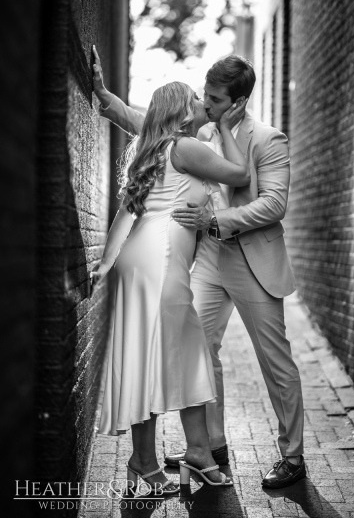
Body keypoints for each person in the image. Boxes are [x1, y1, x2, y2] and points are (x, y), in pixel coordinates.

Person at [92, 46, 306, 489]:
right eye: (204, 96)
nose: (207, 105)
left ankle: (293, 455)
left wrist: (215, 219)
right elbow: (148, 125)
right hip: (206, 259)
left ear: (238, 102)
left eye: (215, 100)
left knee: (275, 360)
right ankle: (209, 446)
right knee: (199, 352)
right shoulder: (198, 134)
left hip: (253, 260)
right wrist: (105, 97)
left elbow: (273, 204)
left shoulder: (268, 140)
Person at [90, 77, 251, 493]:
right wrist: (230, 130)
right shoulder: (184, 146)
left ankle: (192, 451)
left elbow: (126, 215)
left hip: (144, 259)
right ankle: (147, 461)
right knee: (167, 357)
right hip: (161, 262)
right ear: (182, 112)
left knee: (173, 354)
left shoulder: (153, 149)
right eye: (196, 98)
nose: (202, 102)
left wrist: (107, 263)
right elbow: (238, 172)